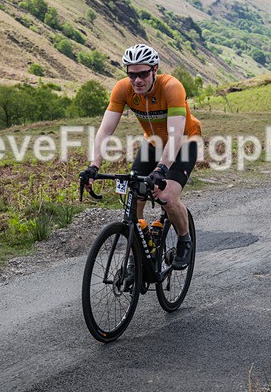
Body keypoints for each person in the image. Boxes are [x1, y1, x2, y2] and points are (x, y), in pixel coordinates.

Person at [80, 44, 202, 270]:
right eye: (132, 74)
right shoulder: (122, 89)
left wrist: (161, 170)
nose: (137, 80)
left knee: (167, 197)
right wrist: (93, 165)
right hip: (154, 142)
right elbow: (105, 130)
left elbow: (175, 136)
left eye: (143, 74)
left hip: (184, 141)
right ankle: (141, 250)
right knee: (134, 197)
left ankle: (185, 239)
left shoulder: (171, 87)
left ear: (155, 69)